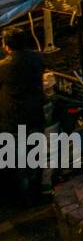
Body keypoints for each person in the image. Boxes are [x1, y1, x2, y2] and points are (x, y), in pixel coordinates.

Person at [0, 28, 46, 207]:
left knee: (17, 158)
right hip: (35, 112)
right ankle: (36, 190)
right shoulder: (36, 58)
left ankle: (23, 196)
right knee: (34, 152)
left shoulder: (5, 66)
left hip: (13, 117)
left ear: (7, 46)